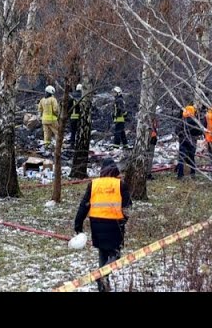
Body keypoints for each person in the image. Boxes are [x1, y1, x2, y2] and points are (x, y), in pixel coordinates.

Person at [73, 157, 132, 292]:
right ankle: (102, 277)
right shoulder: (120, 185)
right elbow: (127, 208)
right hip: (115, 224)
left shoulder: (93, 184)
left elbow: (84, 205)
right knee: (115, 255)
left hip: (96, 224)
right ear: (115, 170)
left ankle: (102, 286)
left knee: (102, 253)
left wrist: (78, 225)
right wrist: (123, 221)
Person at [175, 105, 203, 179]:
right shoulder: (195, 121)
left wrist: (181, 135)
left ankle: (180, 175)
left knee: (181, 158)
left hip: (183, 141)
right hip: (192, 141)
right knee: (191, 158)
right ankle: (193, 173)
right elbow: (200, 132)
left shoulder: (182, 121)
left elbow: (176, 131)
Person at [38, 85, 60, 150]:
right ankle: (59, 145)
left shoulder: (42, 100)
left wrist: (40, 117)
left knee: (46, 133)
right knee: (57, 132)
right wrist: (58, 115)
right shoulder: (53, 100)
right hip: (52, 120)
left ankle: (46, 146)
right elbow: (55, 109)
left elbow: (39, 109)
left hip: (44, 120)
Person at [146, 106, 161, 180]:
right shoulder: (152, 119)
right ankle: (147, 174)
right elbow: (155, 127)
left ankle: (147, 172)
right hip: (151, 139)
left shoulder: (146, 118)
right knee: (149, 157)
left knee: (148, 157)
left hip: (150, 138)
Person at [68, 83, 83, 148]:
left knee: (73, 131)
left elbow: (68, 107)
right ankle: (79, 144)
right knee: (80, 132)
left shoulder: (71, 96)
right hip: (80, 117)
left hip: (72, 117)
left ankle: (72, 143)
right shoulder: (83, 96)